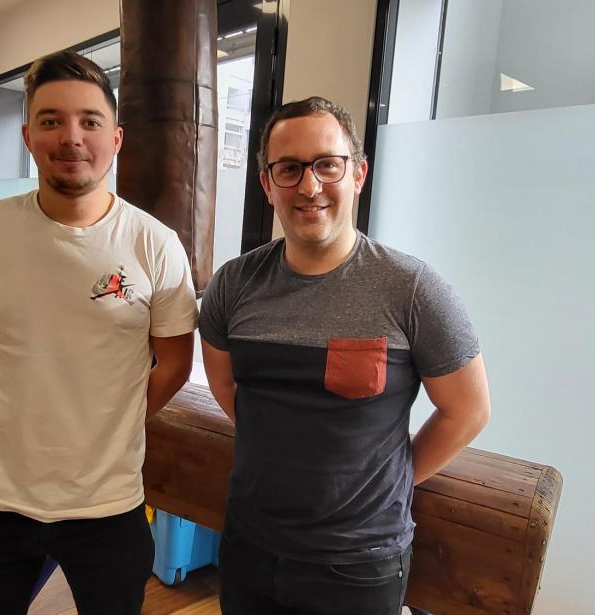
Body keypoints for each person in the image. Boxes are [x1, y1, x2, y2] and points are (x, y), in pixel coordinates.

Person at [199, 96, 491, 615]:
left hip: (358, 564)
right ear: (267, 185)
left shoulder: (412, 289)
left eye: (326, 165)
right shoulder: (234, 284)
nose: (309, 187)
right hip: (250, 544)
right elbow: (228, 389)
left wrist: (387, 482)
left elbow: (468, 410)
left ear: (357, 174)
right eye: (288, 169)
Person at [0, 50, 198, 615]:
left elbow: (173, 362)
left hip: (108, 504)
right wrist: (10, 403)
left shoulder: (155, 243)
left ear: (116, 138)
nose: (70, 136)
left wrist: (110, 416)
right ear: (29, 135)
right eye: (51, 120)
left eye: (89, 121)